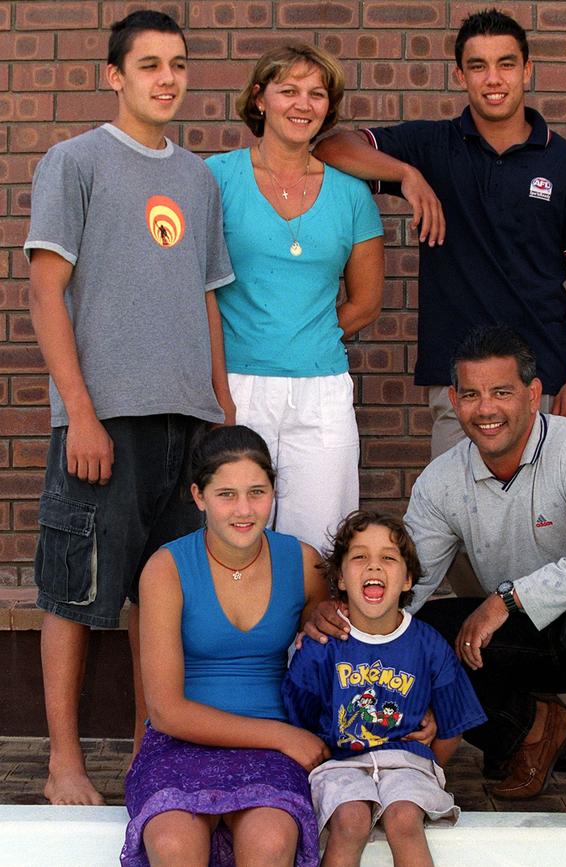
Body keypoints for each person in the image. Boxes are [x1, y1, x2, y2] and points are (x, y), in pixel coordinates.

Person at [23, 10, 235, 806]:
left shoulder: (199, 178)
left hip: (187, 425)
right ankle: (65, 762)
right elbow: (45, 291)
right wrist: (79, 410)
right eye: (149, 65)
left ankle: (153, 758)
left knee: (162, 603)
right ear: (115, 76)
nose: (167, 79)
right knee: (74, 593)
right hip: (102, 422)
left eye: (177, 64)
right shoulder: (73, 162)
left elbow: (209, 299)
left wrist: (219, 406)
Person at [307, 326, 566, 813]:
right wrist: (342, 617)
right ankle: (534, 728)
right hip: (530, 631)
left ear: (533, 396)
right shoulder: (443, 479)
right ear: (454, 399)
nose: (485, 409)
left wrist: (505, 599)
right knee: (425, 632)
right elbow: (410, 583)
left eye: (501, 392)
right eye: (471, 394)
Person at [314, 7, 566, 460]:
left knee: (544, 525)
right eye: (478, 66)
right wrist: (407, 174)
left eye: (506, 64)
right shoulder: (432, 146)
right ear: (460, 75)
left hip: (545, 381)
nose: (492, 78)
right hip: (460, 387)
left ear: (527, 70)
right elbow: (331, 145)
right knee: (456, 521)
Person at [121, 425, 331, 867]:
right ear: (199, 496)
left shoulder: (304, 563)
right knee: (175, 845)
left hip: (272, 755)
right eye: (226, 494)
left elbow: (342, 648)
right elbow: (165, 711)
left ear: (274, 491)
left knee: (272, 840)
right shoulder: (167, 569)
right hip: (182, 743)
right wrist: (284, 736)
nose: (244, 510)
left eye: (257, 492)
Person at [205, 42, 384, 551]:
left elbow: (366, 301)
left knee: (321, 545)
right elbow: (194, 287)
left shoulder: (350, 192)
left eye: (317, 94)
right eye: (289, 91)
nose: (303, 104)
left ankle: (312, 635)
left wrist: (305, 336)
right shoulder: (215, 179)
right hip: (236, 387)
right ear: (260, 99)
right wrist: (220, 388)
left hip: (322, 392)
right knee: (234, 541)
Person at [283, 511, 485, 866]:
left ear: (407, 579)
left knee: (405, 818)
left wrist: (430, 764)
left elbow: (455, 721)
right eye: (359, 557)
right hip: (340, 762)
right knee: (350, 820)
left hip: (408, 763)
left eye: (388, 558)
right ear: (341, 579)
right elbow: (299, 717)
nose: (373, 567)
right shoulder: (322, 645)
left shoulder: (428, 644)